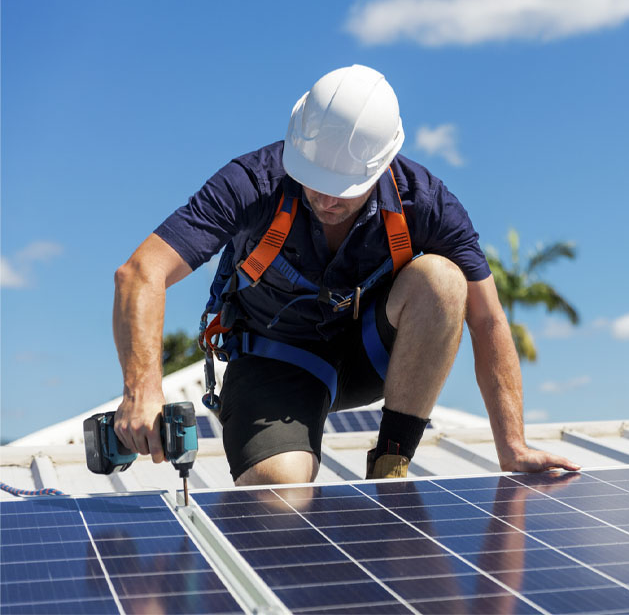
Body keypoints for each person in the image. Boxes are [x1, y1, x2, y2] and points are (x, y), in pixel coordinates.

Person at [113, 64, 579, 485]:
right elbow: (140, 272)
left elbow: (488, 319)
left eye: (344, 189)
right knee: (280, 491)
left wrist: (512, 445)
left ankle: (390, 464)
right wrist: (142, 389)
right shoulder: (253, 182)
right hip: (276, 359)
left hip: (369, 357)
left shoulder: (427, 203)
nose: (326, 198)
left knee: (443, 281)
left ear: (381, 166)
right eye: (314, 180)